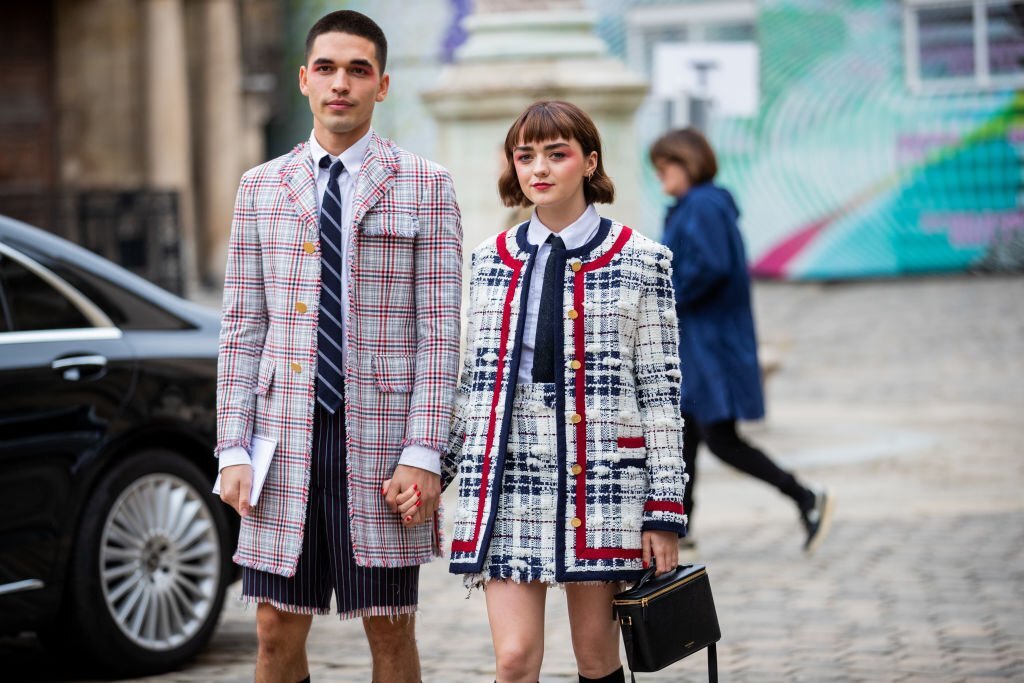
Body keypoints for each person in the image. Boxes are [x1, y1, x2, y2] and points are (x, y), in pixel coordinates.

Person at [215, 10, 462, 683]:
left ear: (382, 85)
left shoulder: (426, 185)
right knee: (273, 629)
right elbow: (242, 327)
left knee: (388, 626)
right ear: (304, 80)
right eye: (326, 68)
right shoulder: (260, 187)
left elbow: (440, 335)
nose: (340, 84)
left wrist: (423, 452)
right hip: (282, 436)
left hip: (382, 442)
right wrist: (233, 447)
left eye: (358, 70)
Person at [421, 100, 687, 683]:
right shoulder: (488, 259)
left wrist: (664, 511)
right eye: (525, 156)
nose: (539, 169)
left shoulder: (644, 260)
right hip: (509, 473)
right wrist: (433, 467)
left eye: (556, 154)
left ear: (590, 162)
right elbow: (474, 381)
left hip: (600, 481)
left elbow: (661, 393)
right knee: (514, 659)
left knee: (596, 658)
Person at [649, 127, 834, 554]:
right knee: (684, 433)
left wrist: (665, 300)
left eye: (664, 170)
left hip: (710, 344)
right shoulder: (697, 205)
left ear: (685, 163)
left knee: (721, 439)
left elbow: (710, 267)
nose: (662, 179)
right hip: (699, 344)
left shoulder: (702, 205)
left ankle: (805, 496)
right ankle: (679, 526)